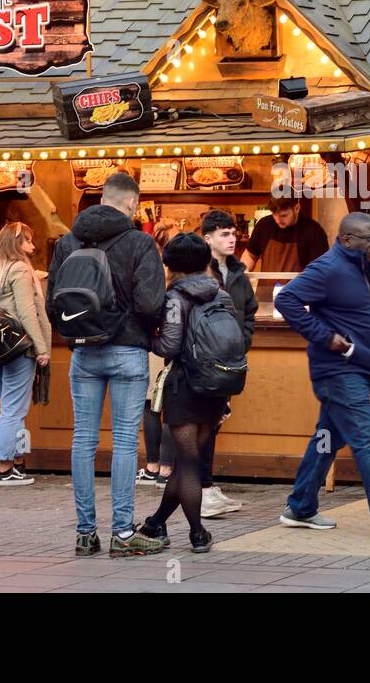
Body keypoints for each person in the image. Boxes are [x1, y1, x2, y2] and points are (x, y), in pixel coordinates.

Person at [276, 212, 370, 539]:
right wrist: (326, 337)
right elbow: (286, 299)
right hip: (339, 372)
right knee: (367, 440)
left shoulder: (363, 265)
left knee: (328, 437)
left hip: (357, 367)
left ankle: (300, 506)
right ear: (345, 240)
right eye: (368, 239)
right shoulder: (327, 269)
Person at [48, 172, 166, 557]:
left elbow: (54, 303)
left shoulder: (68, 242)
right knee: (124, 442)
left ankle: (85, 533)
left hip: (83, 351)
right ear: (132, 203)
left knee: (83, 440)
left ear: (102, 198)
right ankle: (123, 532)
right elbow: (150, 304)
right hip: (128, 350)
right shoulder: (139, 242)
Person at [138, 233, 245, 553]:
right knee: (189, 461)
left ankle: (198, 533)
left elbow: (169, 345)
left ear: (170, 266)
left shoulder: (175, 298)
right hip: (216, 388)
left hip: (185, 386)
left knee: (186, 464)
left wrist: (145, 338)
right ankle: (156, 523)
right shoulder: (220, 293)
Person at [0, 222, 52, 486]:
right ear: (16, 243)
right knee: (13, 409)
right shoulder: (18, 269)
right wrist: (41, 347)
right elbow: (27, 312)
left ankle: (18, 461)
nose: (32, 246)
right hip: (18, 347)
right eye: (28, 241)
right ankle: (5, 467)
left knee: (11, 407)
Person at [198, 210, 258, 518]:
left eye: (233, 233)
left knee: (214, 422)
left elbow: (249, 310)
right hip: (204, 360)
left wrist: (241, 341)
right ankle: (201, 490)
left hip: (229, 360)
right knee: (203, 424)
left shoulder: (238, 272)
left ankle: (205, 488)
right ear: (207, 239)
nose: (231, 238)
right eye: (224, 234)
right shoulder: (198, 272)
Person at [140, 219, 180, 488]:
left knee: (152, 407)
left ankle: (152, 467)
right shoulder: (178, 273)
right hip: (173, 344)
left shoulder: (149, 270)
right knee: (171, 408)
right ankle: (166, 471)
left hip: (153, 344)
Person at [240, 197, 329, 273]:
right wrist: (243, 272)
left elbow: (320, 270)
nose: (278, 220)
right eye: (275, 215)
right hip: (266, 292)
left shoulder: (314, 231)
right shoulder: (264, 225)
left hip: (297, 292)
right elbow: (250, 255)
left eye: (283, 215)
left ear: (297, 208)